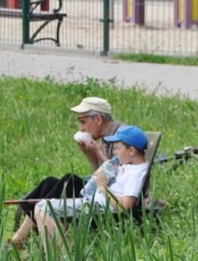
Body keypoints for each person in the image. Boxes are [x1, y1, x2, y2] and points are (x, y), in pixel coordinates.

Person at [8, 97, 124, 247]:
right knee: (49, 183)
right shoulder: (107, 137)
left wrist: (98, 152)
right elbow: (101, 173)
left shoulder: (122, 138)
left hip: (112, 198)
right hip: (102, 190)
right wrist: (89, 153)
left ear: (98, 119)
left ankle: (19, 239)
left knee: (68, 182)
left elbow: (119, 177)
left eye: (83, 122)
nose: (81, 128)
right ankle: (20, 236)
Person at [34, 125, 149, 255]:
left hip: (100, 207)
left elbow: (125, 206)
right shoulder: (128, 165)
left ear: (131, 151)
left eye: (117, 148)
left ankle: (66, 258)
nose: (115, 152)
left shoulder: (136, 173)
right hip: (93, 201)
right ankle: (53, 256)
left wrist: (102, 187)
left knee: (45, 209)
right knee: (40, 208)